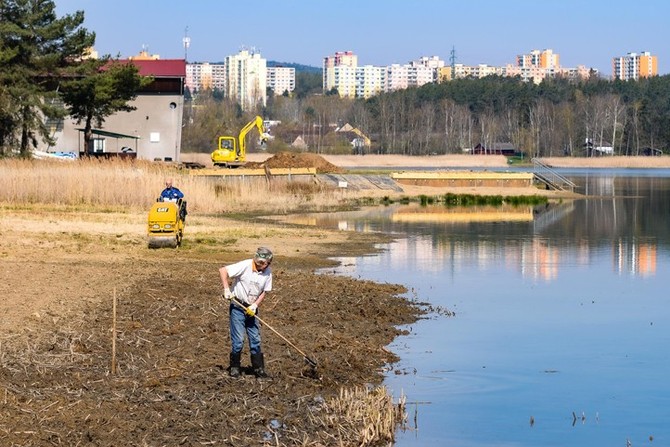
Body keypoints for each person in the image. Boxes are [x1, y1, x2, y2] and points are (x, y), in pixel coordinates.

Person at [219, 247, 273, 378]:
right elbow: (223, 270)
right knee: (238, 339)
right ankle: (235, 367)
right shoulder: (245, 265)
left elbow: (264, 292)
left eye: (264, 263)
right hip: (238, 307)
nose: (261, 266)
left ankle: (259, 369)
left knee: (255, 338)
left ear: (268, 263)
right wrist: (227, 289)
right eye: (259, 262)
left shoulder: (268, 273)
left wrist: (255, 305)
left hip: (251, 309)